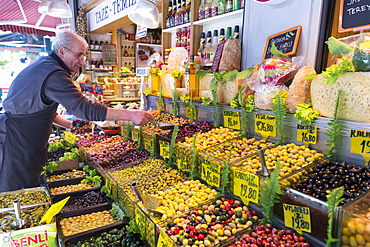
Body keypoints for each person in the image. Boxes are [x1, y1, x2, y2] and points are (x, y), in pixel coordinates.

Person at [0, 31, 153, 192]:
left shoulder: (44, 66)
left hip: (20, 137)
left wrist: (69, 125)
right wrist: (131, 115)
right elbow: (84, 108)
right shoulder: (54, 74)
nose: (82, 62)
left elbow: (42, 109)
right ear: (61, 51)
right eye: (79, 55)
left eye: (84, 56)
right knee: (18, 194)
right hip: (17, 142)